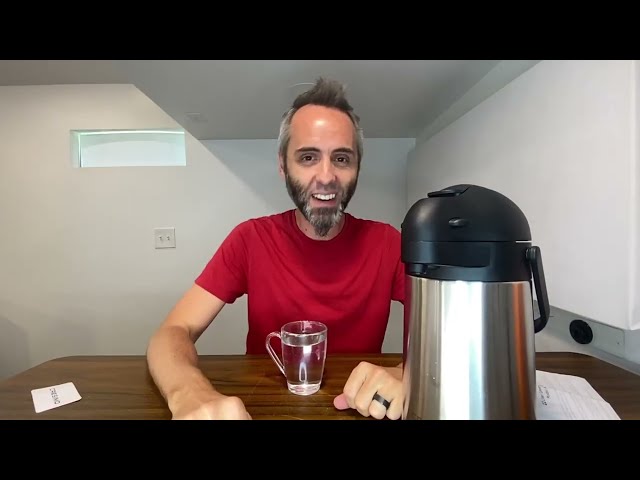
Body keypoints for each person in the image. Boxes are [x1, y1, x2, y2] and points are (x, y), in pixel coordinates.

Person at [146, 77, 406, 420]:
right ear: (283, 166)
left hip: (360, 411)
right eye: (308, 157)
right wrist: (189, 393)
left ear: (357, 167)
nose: (326, 176)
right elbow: (172, 331)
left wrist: (408, 373)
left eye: (342, 159)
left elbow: (451, 335)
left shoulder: (389, 244)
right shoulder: (250, 239)